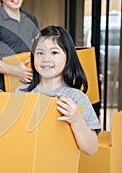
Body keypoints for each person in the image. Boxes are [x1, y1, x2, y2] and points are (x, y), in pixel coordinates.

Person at [15, 25, 101, 156]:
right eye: (39, 53)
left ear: (68, 56)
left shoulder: (76, 98)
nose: (46, 59)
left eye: (54, 52)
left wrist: (76, 120)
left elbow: (91, 149)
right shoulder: (20, 93)